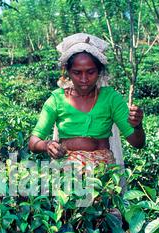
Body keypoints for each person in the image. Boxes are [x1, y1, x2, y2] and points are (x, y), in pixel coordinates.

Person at [28, 33, 145, 165]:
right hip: (66, 172)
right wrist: (47, 145)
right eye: (77, 73)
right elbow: (33, 142)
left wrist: (137, 126)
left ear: (99, 70)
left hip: (103, 172)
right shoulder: (56, 99)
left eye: (90, 72)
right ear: (68, 71)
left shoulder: (111, 98)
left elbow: (137, 143)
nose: (84, 79)